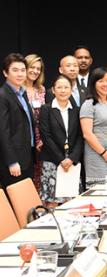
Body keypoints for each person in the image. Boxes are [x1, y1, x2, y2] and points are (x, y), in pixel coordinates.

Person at [38, 75, 83, 206]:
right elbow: (46, 136)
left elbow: (80, 136)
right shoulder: (46, 109)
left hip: (71, 162)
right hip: (53, 161)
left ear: (71, 89)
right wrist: (60, 159)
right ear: (53, 90)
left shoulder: (76, 110)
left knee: (72, 203)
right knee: (52, 203)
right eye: (59, 87)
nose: (63, 90)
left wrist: (72, 158)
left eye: (66, 87)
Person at [0, 53, 36, 187]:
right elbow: (3, 132)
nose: (20, 74)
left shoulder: (23, 92)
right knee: (16, 201)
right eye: (15, 70)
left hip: (27, 155)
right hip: (14, 160)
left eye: (22, 70)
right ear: (5, 73)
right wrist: (12, 161)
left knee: (27, 202)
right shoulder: (3, 96)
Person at [24, 54, 46, 192]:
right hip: (26, 141)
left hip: (41, 141)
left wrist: (43, 139)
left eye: (38, 68)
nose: (35, 71)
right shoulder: (18, 91)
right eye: (32, 67)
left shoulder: (41, 90)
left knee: (40, 177)